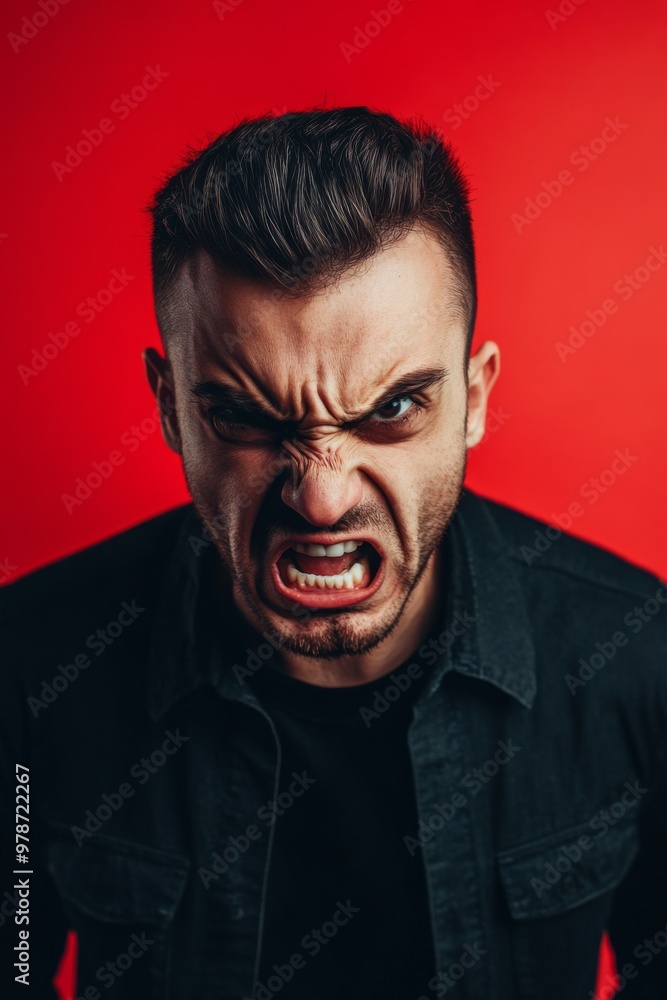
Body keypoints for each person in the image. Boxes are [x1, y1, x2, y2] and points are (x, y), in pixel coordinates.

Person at [1, 107, 666, 1000]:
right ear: (169, 407)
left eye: (391, 410)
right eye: (243, 417)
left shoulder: (633, 656)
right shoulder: (31, 669)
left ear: (473, 398)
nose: (320, 499)